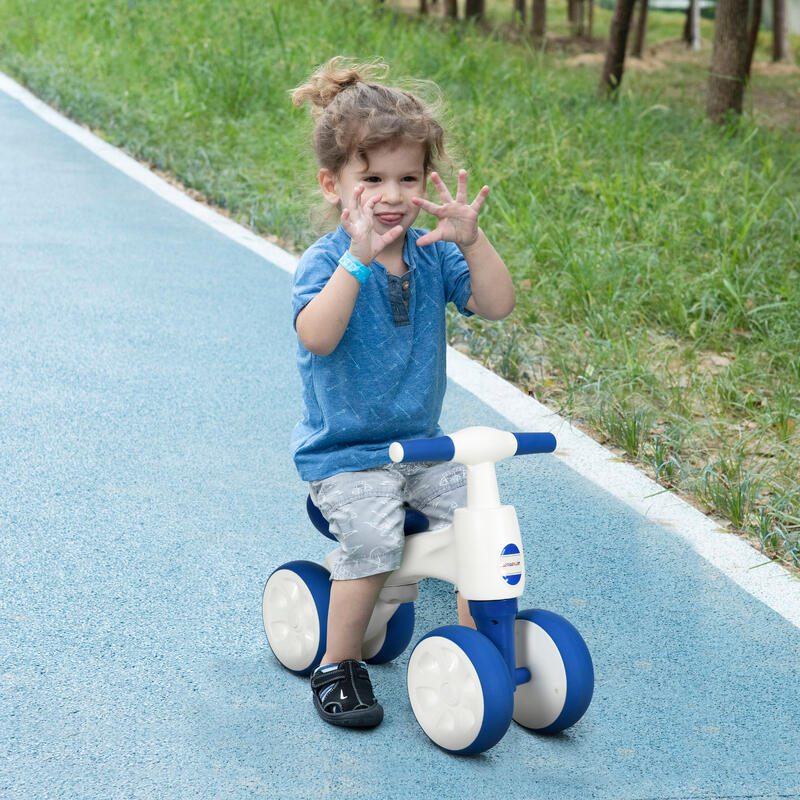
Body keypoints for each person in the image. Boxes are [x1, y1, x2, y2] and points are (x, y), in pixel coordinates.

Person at [290, 57, 516, 729]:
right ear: (335, 186)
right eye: (373, 179)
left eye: (408, 178)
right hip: (347, 454)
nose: (391, 194)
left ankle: (482, 652)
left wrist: (473, 243)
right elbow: (318, 337)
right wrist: (357, 262)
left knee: (479, 519)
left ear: (426, 182)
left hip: (420, 446)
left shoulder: (434, 253)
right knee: (373, 538)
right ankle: (337, 661)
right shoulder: (327, 263)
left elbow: (497, 305)